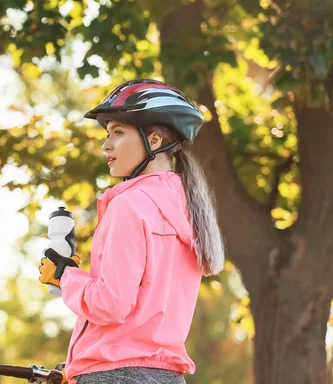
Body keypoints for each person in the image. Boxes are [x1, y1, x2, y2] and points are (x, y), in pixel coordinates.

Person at [38, 79, 226, 384]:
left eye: (118, 133)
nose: (106, 145)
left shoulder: (130, 205)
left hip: (114, 374)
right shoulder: (190, 211)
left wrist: (65, 276)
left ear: (153, 141)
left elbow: (110, 305)